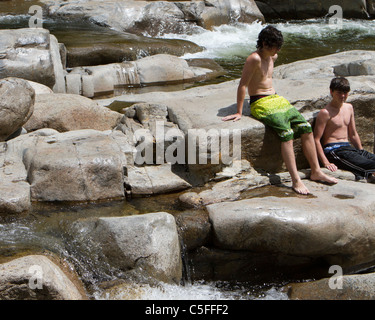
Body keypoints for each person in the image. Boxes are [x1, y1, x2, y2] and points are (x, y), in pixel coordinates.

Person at [222, 25, 337, 194]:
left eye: (278, 46)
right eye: (274, 46)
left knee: (305, 127)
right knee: (286, 133)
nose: (277, 50)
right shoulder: (254, 58)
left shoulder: (273, 55)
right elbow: (243, 85)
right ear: (264, 43)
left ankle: (316, 171)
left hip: (276, 98)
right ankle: (295, 180)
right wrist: (240, 111)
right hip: (260, 102)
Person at [313, 76, 375, 183]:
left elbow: (353, 134)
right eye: (339, 93)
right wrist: (326, 162)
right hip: (334, 151)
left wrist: (361, 152)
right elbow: (316, 139)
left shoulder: (349, 107)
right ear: (331, 91)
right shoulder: (325, 113)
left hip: (349, 149)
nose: (342, 96)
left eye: (345, 93)